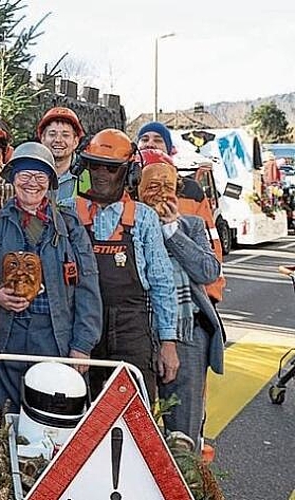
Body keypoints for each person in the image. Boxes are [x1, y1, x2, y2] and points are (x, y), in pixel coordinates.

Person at [0, 142, 102, 411]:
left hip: (54, 337)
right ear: (13, 178)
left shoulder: (69, 226)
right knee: (4, 417)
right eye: (25, 175)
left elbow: (87, 285)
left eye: (40, 176)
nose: (32, 183)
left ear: (50, 182)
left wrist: (82, 345)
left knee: (51, 418)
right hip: (7, 335)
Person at [74, 128, 177, 403]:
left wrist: (168, 342)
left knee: (136, 412)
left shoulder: (143, 218)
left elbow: (162, 282)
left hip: (132, 328)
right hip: (83, 327)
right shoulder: (71, 213)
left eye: (111, 168)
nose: (101, 174)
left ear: (130, 173)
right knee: (81, 415)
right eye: (94, 165)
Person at [137, 150, 225, 452]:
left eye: (168, 186)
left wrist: (172, 230)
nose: (161, 194)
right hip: (141, 331)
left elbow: (209, 270)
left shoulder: (191, 225)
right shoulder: (129, 224)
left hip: (187, 332)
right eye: (153, 186)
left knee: (184, 434)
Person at [136, 121, 226, 303]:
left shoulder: (191, 191)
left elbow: (211, 251)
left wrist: (210, 295)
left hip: (187, 297)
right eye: (144, 139)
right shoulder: (124, 192)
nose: (150, 143)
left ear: (170, 149)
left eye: (158, 140)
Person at [36, 107, 85, 208]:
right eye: (52, 134)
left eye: (65, 135)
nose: (58, 140)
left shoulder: (89, 179)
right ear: (42, 138)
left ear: (75, 141)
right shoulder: (27, 174)